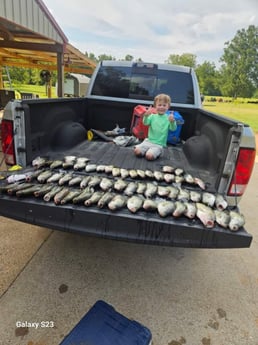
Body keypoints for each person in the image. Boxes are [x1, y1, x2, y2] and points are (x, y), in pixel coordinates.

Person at [133, 93, 177, 160]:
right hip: (148, 141)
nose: (161, 107)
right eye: (159, 105)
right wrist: (146, 115)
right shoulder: (152, 116)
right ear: (155, 106)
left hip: (158, 144)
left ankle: (157, 152)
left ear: (168, 107)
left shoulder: (169, 118)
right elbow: (145, 123)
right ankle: (147, 151)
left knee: (149, 156)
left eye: (164, 105)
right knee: (137, 152)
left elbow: (173, 129)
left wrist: (172, 121)